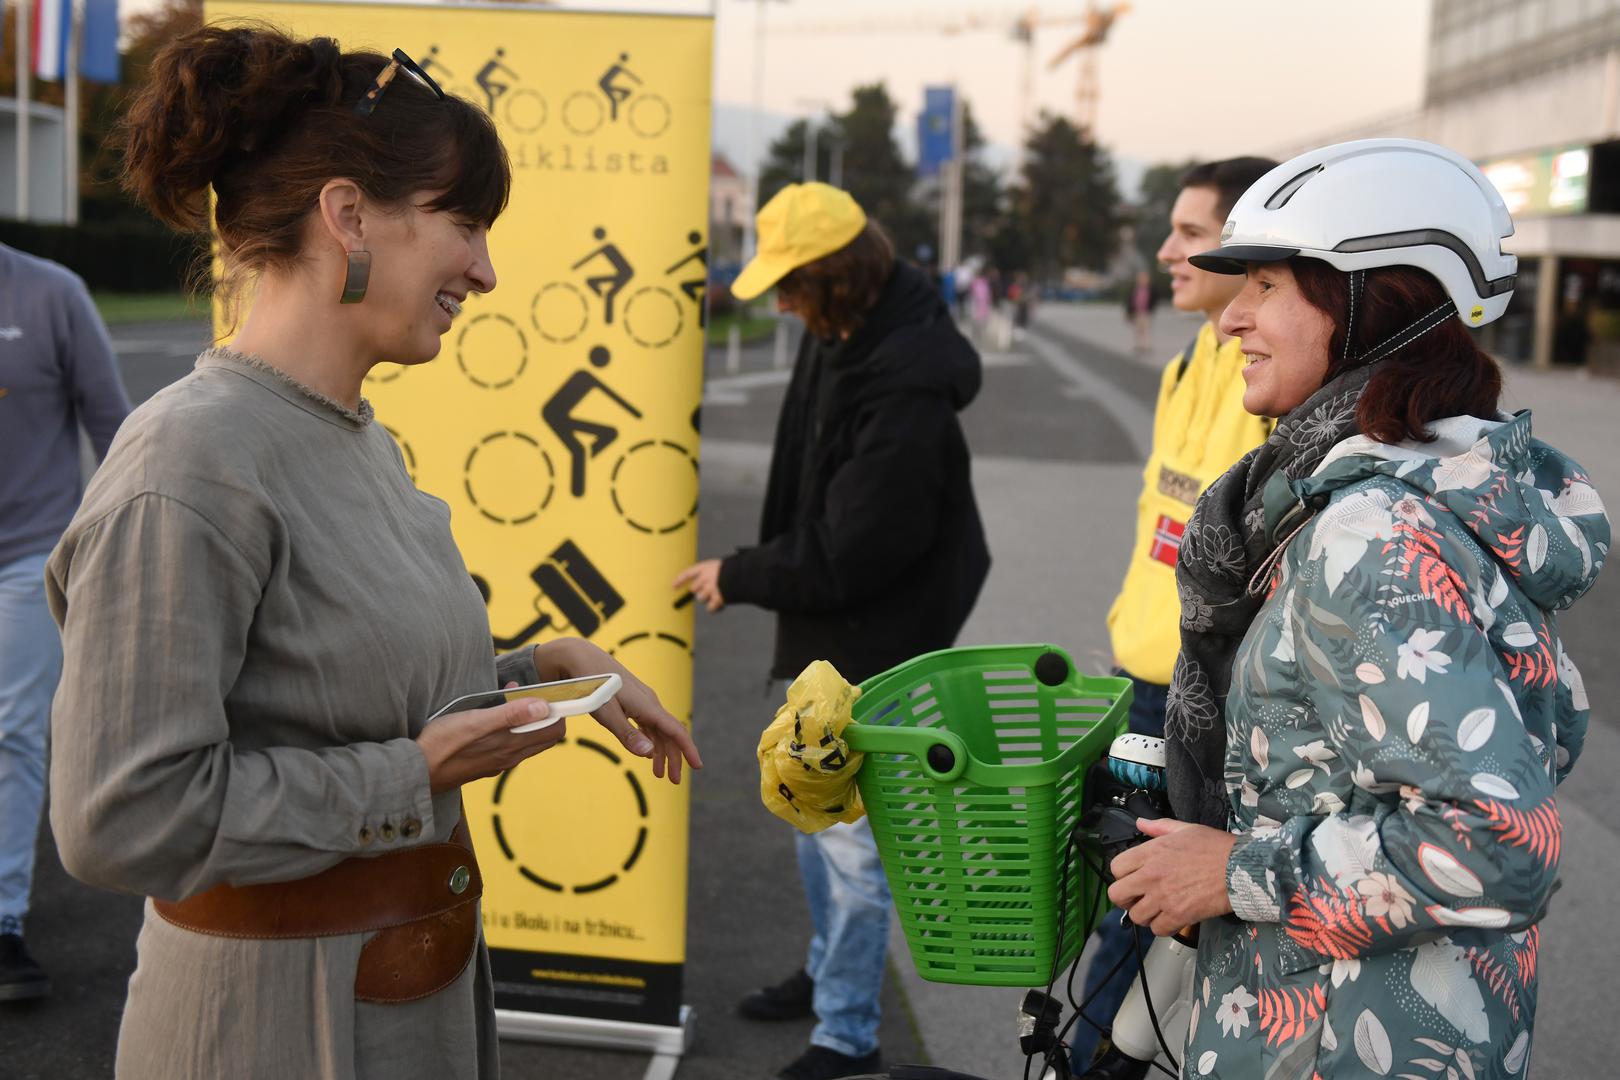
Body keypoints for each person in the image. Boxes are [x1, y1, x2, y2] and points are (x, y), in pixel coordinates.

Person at [44, 27, 700, 1079]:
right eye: (467, 224)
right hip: (266, 1027)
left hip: (399, 1002)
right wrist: (412, 775)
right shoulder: (191, 460)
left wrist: (540, 673)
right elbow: (121, 819)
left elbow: (323, 688)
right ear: (348, 215)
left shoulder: (352, 437)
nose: (485, 270)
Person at [1106, 139, 1607, 1076]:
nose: (1233, 321)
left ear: (1366, 301)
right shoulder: (1404, 481)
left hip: (1348, 1037)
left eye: (1265, 285)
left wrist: (1232, 871)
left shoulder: (1372, 531)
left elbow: (1499, 842)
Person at [674, 182, 990, 1080]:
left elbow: (859, 547)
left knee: (852, 840)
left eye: (790, 285)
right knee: (816, 811)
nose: (777, 302)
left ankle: (847, 1035)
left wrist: (740, 573)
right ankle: (825, 982)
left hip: (876, 632)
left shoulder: (907, 380)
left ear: (838, 279)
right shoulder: (844, 330)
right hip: (834, 622)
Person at [1072, 156, 1277, 1071]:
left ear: (1251, 250)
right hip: (1142, 682)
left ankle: (1091, 1067)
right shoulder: (1192, 357)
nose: (1166, 251)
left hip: (1200, 704)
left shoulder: (1268, 378)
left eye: (1192, 233)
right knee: (1123, 918)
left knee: (1143, 928)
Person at [0, 243, 131, 1001]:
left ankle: (5, 921)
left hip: (28, 555)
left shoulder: (51, 294)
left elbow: (113, 424)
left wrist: (110, 549)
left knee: (13, 728)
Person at [1122, 269, 1159, 354]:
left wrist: (1152, 308)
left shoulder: (1151, 289)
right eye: (1141, 279)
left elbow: (1154, 300)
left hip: (1146, 312)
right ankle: (1138, 345)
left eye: (1144, 278)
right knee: (1137, 329)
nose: (1143, 280)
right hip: (1136, 312)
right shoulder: (1134, 289)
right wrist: (1129, 312)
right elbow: (1130, 301)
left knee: (1146, 329)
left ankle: (1146, 345)